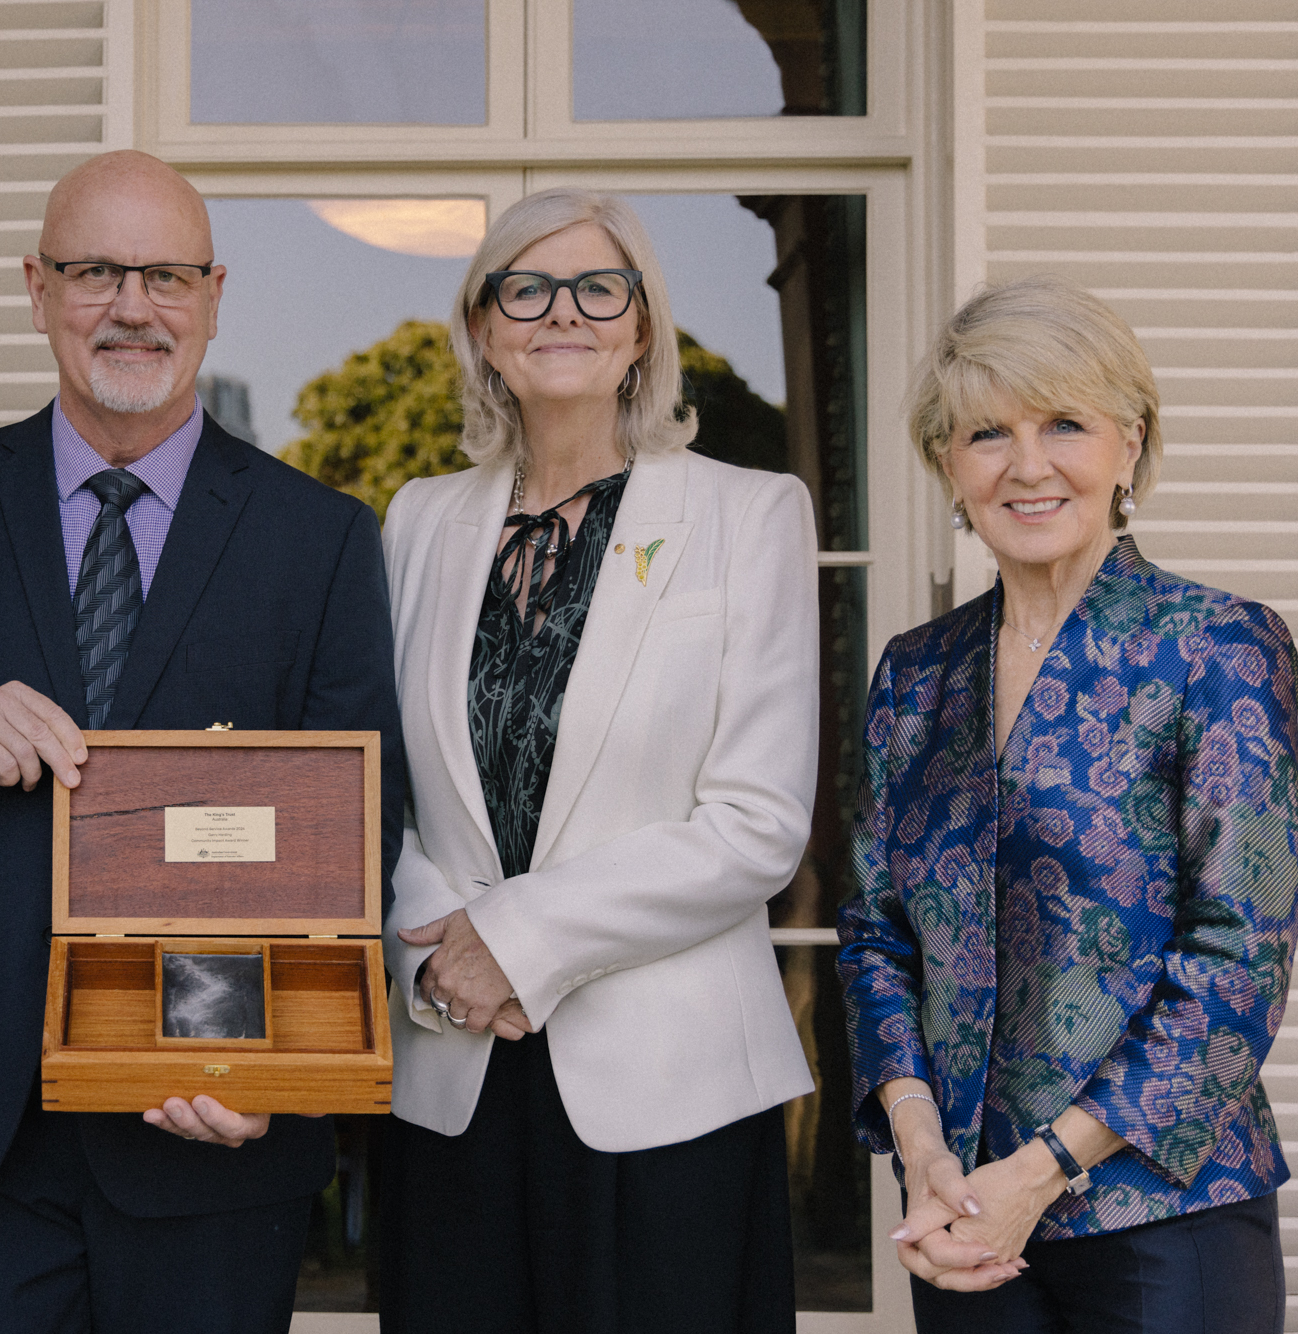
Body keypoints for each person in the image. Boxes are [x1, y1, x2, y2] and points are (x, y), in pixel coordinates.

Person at [0, 149, 404, 1333]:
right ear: (37, 289)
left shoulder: (321, 538)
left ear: (213, 293)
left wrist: (263, 1070)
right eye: (95, 271)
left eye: (165, 275)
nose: (132, 306)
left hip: (204, 1110)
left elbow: (355, 834)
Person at [375, 186, 819, 1332]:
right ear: (481, 326)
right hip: (454, 1064)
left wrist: (513, 944)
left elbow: (755, 823)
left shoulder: (748, 513)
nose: (557, 312)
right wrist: (430, 953)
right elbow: (378, 792)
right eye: (522, 286)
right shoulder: (416, 519)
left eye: (595, 287)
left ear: (637, 328)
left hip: (668, 1095)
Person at [837, 274, 1298, 1332]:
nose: (1026, 463)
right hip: (961, 1213)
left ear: (1127, 445)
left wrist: (1041, 1170)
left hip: (1162, 1217)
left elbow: (1239, 951)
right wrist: (923, 1156)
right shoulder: (916, 671)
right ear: (947, 464)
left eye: (1063, 424)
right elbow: (872, 935)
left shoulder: (1215, 644)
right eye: (986, 432)